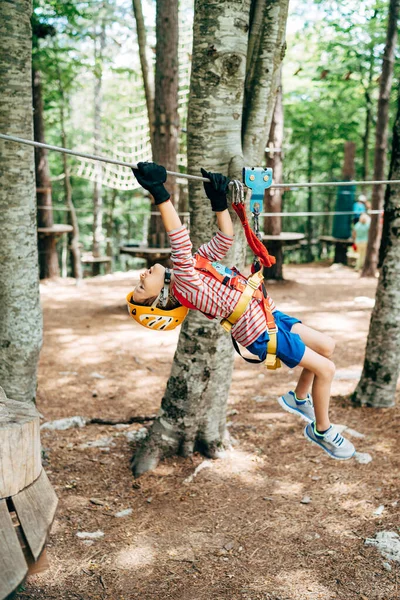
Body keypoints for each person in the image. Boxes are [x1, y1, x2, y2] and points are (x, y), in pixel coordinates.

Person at [129, 162, 356, 461]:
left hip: (268, 314)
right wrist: (160, 193)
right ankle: (323, 430)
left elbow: (225, 239)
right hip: (261, 333)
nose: (142, 278)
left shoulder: (194, 268)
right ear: (161, 300)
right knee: (326, 369)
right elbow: (179, 240)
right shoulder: (185, 284)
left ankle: (300, 399)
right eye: (142, 288)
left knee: (328, 347)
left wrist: (218, 202)